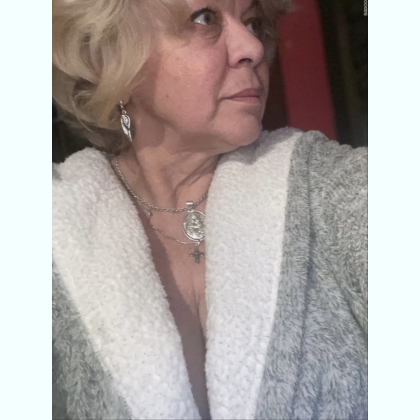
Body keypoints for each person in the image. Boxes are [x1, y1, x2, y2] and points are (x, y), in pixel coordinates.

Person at [52, 0, 367, 419]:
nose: (252, 47)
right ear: (110, 59)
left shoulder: (331, 186)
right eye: (204, 19)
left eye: (252, 21)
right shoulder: (54, 231)